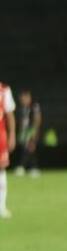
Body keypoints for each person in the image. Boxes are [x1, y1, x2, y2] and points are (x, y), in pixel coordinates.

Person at [15, 90, 42, 177]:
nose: (22, 100)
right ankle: (33, 168)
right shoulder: (21, 108)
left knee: (29, 148)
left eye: (24, 98)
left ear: (28, 97)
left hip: (31, 130)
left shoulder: (34, 106)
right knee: (26, 149)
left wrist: (34, 133)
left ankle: (23, 167)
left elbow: (37, 119)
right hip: (23, 132)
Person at [0, 82, 13, 218]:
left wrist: (12, 135)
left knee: (1, 169)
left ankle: (2, 207)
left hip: (0, 137)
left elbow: (9, 115)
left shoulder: (4, 90)